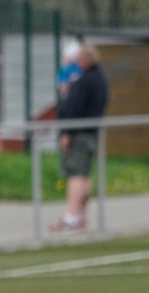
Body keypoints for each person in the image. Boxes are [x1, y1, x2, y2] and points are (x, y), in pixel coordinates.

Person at [49, 44, 108, 232]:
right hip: (91, 133)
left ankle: (71, 216)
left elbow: (74, 107)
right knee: (84, 174)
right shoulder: (101, 79)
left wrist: (67, 132)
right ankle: (81, 215)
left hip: (79, 134)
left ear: (85, 59)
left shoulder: (85, 81)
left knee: (76, 175)